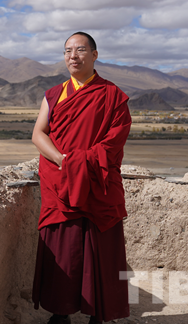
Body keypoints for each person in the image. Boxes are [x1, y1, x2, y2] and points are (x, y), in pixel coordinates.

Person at [31, 32, 131, 324]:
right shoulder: (54, 94)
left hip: (97, 181)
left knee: (101, 249)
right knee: (64, 247)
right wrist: (63, 161)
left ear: (95, 55)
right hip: (60, 180)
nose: (73, 56)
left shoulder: (113, 95)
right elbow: (38, 134)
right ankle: (60, 311)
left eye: (80, 50)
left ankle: (98, 313)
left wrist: (81, 163)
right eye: (67, 51)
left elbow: (115, 141)